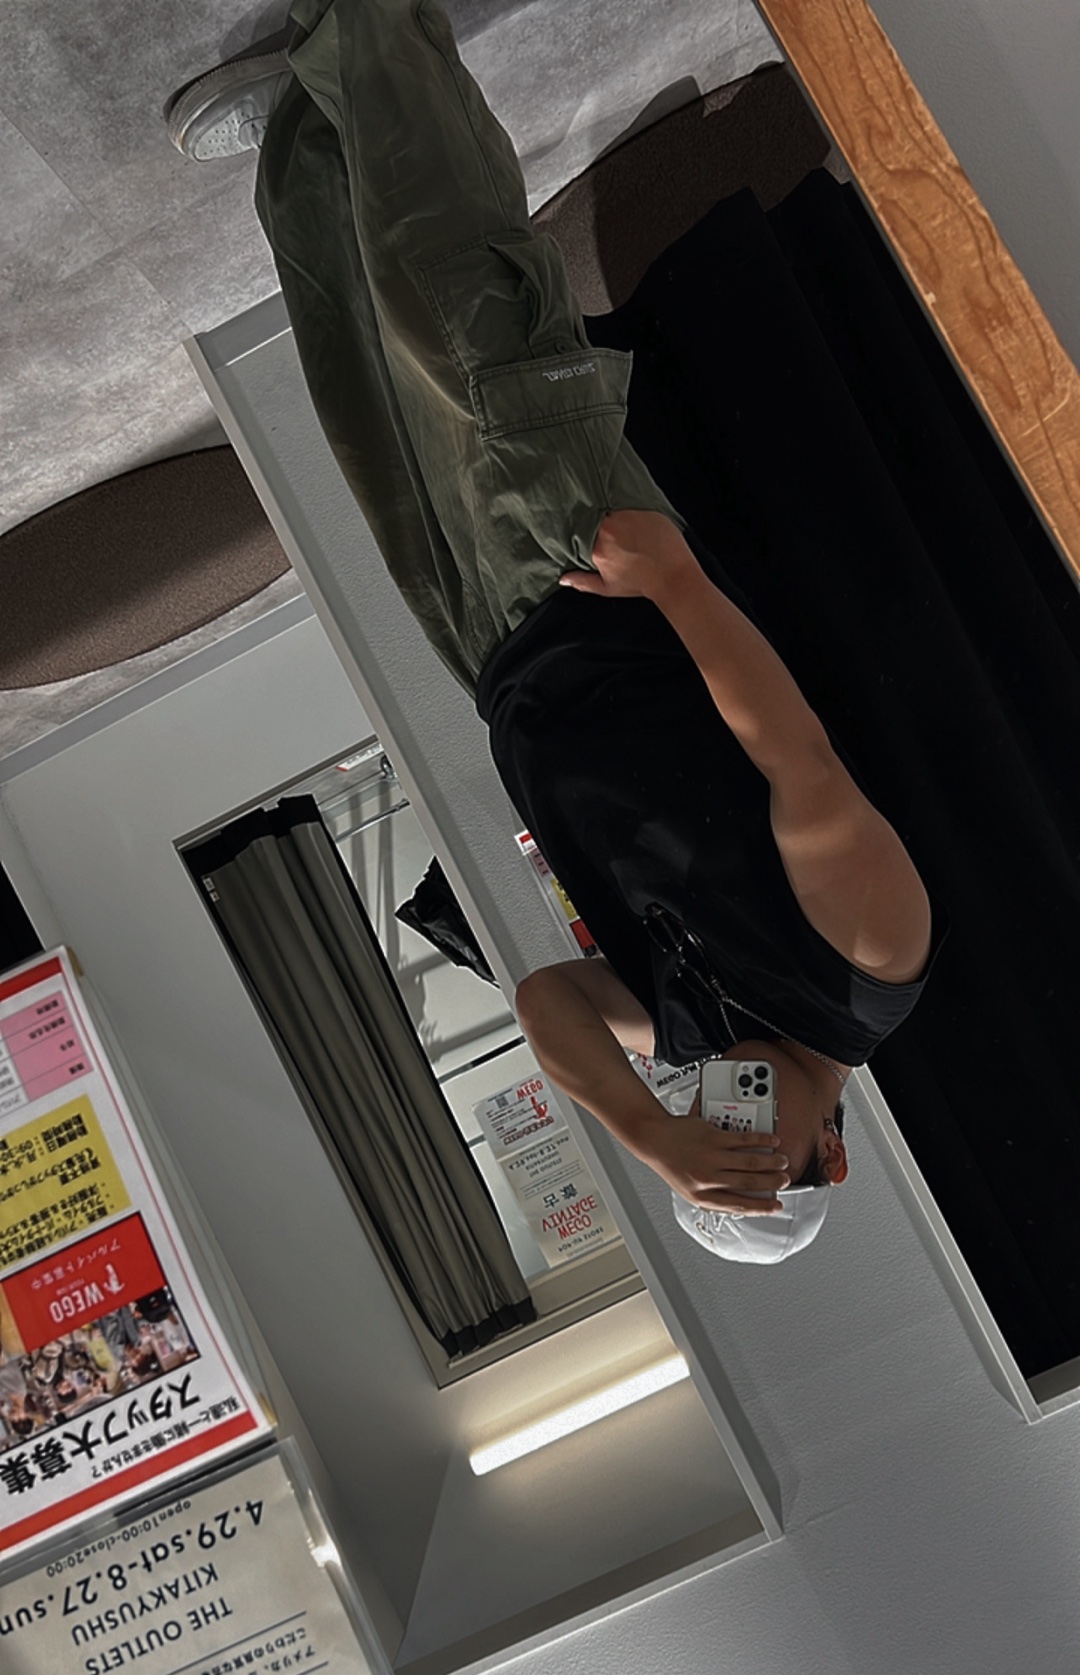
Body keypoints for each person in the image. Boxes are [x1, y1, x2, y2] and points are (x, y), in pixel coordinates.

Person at [166, 0, 947, 1263]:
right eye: (762, 1148)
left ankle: (316, 117)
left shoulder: (674, 1031)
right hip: (603, 585)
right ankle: (368, 31)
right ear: (833, 1150)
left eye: (714, 1139)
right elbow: (796, 757)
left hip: (493, 650)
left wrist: (651, 1138)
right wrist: (676, 582)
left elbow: (545, 1004)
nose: (729, 1119)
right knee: (466, 300)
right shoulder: (870, 969)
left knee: (362, 373)